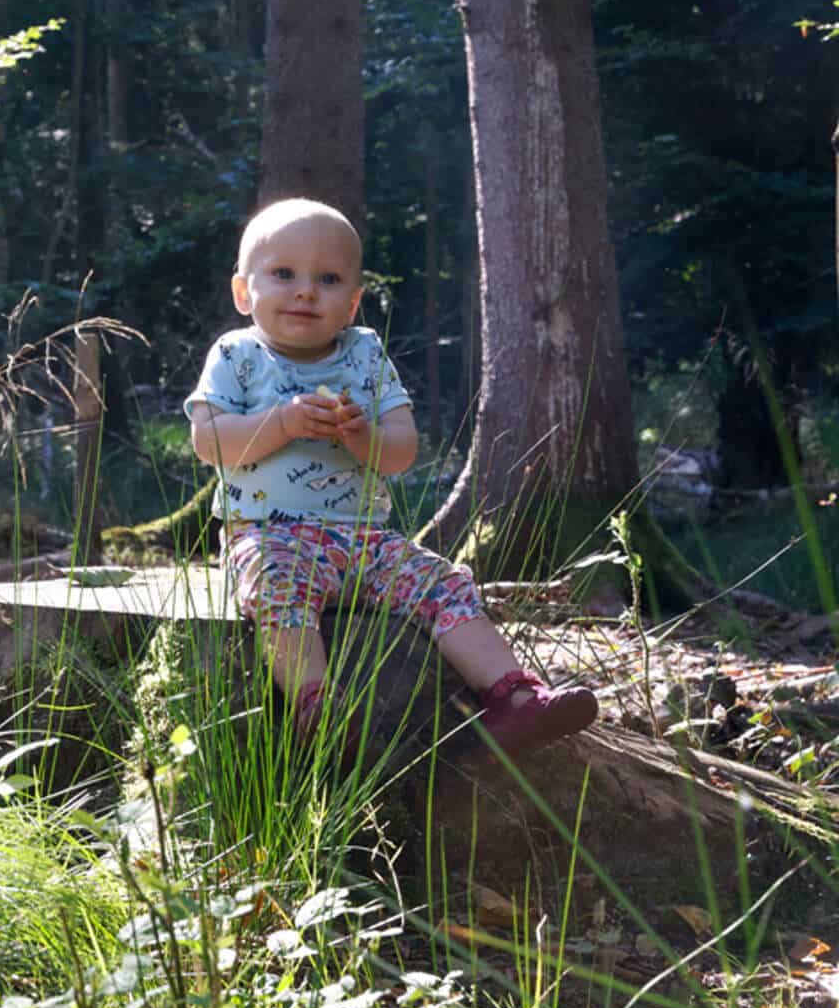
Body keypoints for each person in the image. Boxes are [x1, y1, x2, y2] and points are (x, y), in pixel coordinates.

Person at [184, 197, 598, 756]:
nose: (306, 291)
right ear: (242, 291)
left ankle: (515, 699)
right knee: (278, 590)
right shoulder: (236, 355)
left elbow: (402, 451)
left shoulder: (364, 356)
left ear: (353, 302)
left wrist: (361, 438)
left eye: (328, 279)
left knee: (442, 582)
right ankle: (318, 707)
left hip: (364, 542)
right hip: (268, 536)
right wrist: (279, 423)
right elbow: (209, 441)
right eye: (284, 274)